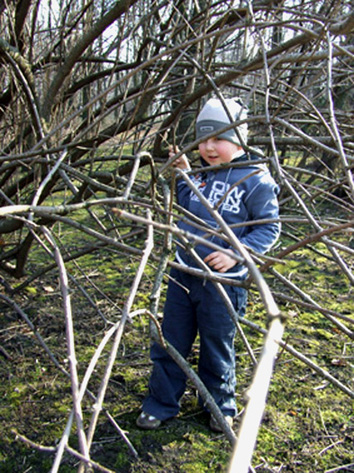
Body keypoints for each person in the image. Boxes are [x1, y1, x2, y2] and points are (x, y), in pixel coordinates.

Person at [136, 97, 280, 432]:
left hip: (223, 284)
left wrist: (237, 253)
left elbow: (270, 227)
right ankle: (161, 402)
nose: (209, 147)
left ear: (240, 137)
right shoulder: (201, 173)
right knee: (170, 339)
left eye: (218, 138)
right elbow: (188, 207)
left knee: (217, 343)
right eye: (203, 139)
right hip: (184, 273)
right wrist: (184, 175)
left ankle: (219, 405)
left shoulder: (255, 178)